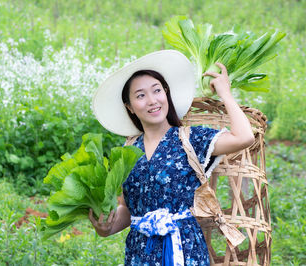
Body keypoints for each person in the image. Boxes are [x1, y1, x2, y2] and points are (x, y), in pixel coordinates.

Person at [89, 50, 254, 265]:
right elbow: (129, 210)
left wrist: (225, 93)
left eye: (157, 90)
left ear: (166, 93)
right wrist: (105, 227)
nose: (152, 100)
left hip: (183, 251)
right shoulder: (127, 151)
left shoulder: (190, 138)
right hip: (140, 254)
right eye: (140, 95)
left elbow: (244, 137)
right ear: (129, 106)